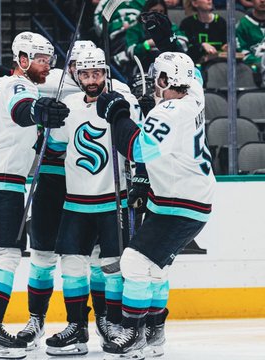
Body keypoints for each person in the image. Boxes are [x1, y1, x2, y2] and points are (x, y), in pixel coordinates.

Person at [95, 51, 215, 358]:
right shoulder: (195, 96)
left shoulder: (169, 112)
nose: (151, 84)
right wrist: (167, 42)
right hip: (187, 199)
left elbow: (137, 149)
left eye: (156, 78)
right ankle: (154, 333)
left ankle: (133, 334)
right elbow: (194, 74)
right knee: (155, 269)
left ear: (165, 80)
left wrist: (118, 113)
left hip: (180, 203)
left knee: (134, 262)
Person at [0, 31, 69, 359]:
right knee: (6, 255)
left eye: (49, 60)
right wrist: (39, 114)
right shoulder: (19, 85)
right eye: (40, 59)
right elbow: (22, 110)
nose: (46, 65)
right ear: (22, 60)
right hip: (1, 177)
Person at [44, 48, 141, 356]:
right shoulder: (68, 106)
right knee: (71, 265)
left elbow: (134, 146)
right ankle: (76, 326)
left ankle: (111, 323)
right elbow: (56, 145)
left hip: (113, 199)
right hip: (76, 201)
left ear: (105, 73)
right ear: (76, 75)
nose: (91, 80)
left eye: (96, 73)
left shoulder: (120, 103)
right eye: (85, 74)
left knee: (113, 266)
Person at [126, 0, 188, 76]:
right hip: (143, 72)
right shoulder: (136, 28)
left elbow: (184, 43)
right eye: (154, 11)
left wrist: (166, 42)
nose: (157, 14)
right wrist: (147, 44)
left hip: (171, 70)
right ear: (146, 11)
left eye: (161, 11)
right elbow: (130, 53)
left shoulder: (171, 26)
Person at [180, 0, 227, 65]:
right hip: (195, 65)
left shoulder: (221, 22)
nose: (209, 0)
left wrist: (227, 47)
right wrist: (202, 45)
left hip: (219, 65)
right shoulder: (187, 23)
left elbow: (226, 44)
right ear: (195, 3)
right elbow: (185, 50)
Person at [236, 0, 265, 73]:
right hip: (253, 69)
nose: (262, 1)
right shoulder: (243, 24)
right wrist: (261, 60)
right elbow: (241, 53)